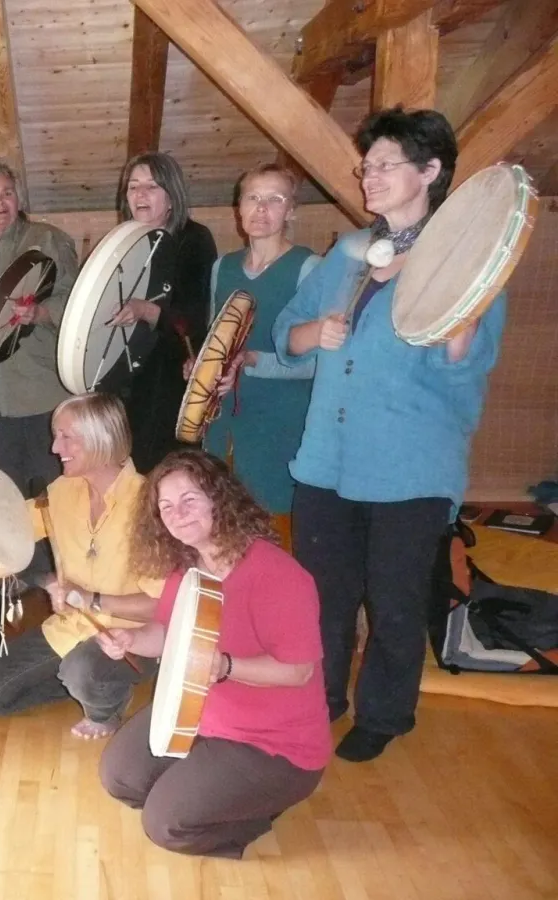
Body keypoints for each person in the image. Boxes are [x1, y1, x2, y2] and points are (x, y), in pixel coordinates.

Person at [272, 107, 506, 762]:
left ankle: (384, 713)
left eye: (384, 165)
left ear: (430, 171)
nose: (368, 177)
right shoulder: (347, 253)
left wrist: (456, 307)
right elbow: (284, 335)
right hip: (325, 463)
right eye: (365, 165)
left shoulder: (467, 266)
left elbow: (466, 373)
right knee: (323, 598)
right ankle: (320, 699)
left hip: (409, 469)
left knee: (396, 602)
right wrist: (312, 334)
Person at [98, 449, 329, 859]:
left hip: (272, 746)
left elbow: (298, 672)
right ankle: (207, 788)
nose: (177, 514)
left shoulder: (278, 575)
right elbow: (168, 633)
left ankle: (257, 813)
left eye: (189, 500)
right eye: (166, 507)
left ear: (220, 499)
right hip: (199, 715)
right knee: (120, 778)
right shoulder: (188, 565)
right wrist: (130, 640)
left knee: (164, 825)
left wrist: (224, 666)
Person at [0, 393, 158, 739]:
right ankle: (82, 683)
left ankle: (105, 706)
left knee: (81, 669)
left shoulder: (149, 504)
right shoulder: (61, 491)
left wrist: (93, 599)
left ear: (101, 438)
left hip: (132, 637)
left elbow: (163, 605)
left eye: (66, 436)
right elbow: (12, 528)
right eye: (56, 436)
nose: (55, 448)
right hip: (70, 628)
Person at [0, 161, 79, 511]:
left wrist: (41, 313)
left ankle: (57, 568)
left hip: (41, 394)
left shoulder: (47, 239)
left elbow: (76, 299)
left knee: (54, 498)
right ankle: (20, 569)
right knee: (6, 503)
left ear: (18, 197)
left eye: (6, 193)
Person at [201, 165, 322, 519]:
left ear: (291, 211)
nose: (262, 209)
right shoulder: (222, 267)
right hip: (225, 424)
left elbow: (320, 363)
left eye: (274, 199)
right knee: (223, 520)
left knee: (275, 526)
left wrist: (254, 360)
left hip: (281, 423)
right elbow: (217, 343)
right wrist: (201, 369)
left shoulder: (309, 267)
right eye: (253, 198)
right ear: (238, 208)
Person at [104, 152, 217, 473]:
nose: (139, 195)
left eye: (151, 186)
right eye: (133, 187)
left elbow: (194, 318)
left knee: (167, 478)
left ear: (171, 195)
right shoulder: (121, 241)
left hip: (170, 379)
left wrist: (145, 310)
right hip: (126, 380)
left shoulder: (194, 239)